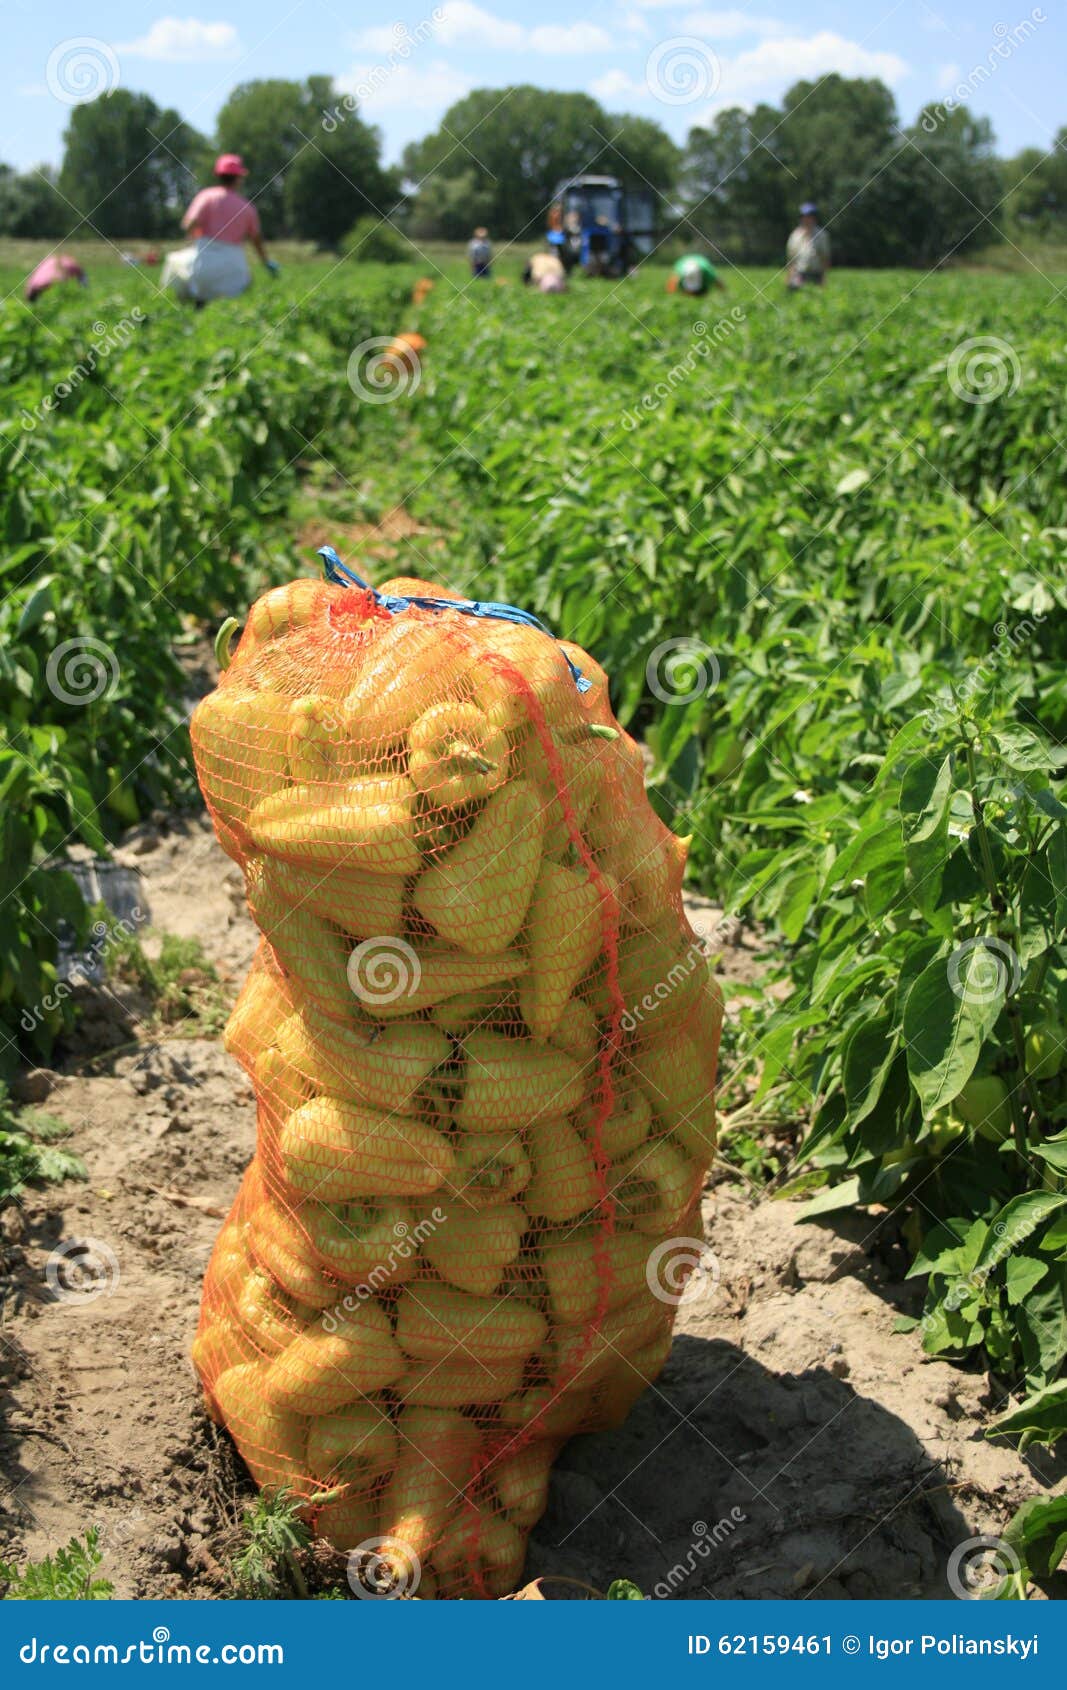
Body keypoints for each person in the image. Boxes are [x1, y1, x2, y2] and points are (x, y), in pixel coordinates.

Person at [162, 153, 276, 307]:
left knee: (173, 261)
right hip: (235, 275)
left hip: (203, 269)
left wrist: (197, 236)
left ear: (218, 175)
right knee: (245, 285)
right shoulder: (247, 207)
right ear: (239, 178)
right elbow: (256, 239)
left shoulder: (206, 196)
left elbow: (189, 225)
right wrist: (266, 262)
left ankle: (181, 309)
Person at [786, 202, 830, 289]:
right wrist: (789, 276)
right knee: (793, 288)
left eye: (810, 216)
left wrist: (824, 277)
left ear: (815, 218)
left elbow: (825, 258)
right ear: (801, 218)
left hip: (817, 274)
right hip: (799, 274)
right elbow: (791, 259)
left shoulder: (822, 235)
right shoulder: (795, 235)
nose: (807, 219)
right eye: (804, 216)